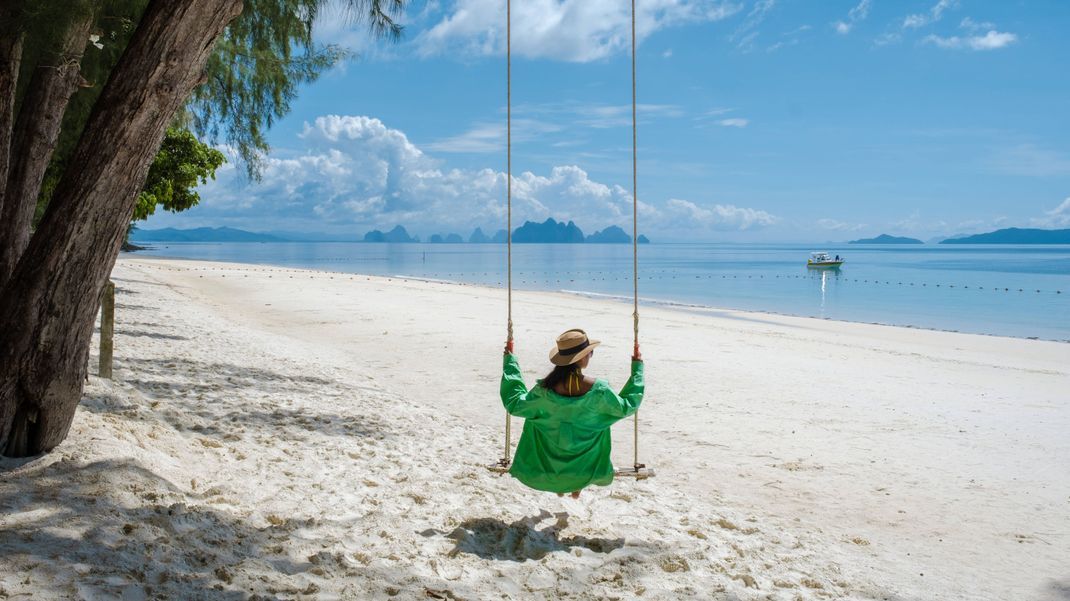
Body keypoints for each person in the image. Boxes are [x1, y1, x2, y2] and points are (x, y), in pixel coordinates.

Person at [500, 328, 644, 498]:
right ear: (582, 358)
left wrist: (510, 362)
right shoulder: (599, 391)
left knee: (536, 418)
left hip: (547, 468)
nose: (590, 356)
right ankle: (574, 483)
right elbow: (628, 405)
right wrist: (637, 369)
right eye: (590, 353)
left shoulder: (544, 392)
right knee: (598, 423)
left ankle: (562, 481)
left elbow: (514, 403)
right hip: (584, 469)